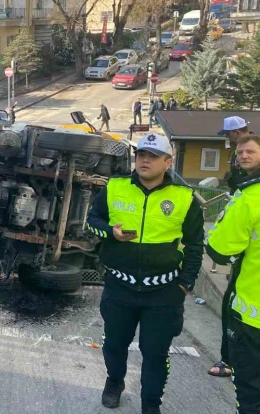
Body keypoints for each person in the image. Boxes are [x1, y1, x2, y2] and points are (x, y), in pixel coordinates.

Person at [86, 133, 204, 414]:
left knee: (155, 354)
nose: (145, 160)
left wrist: (185, 284)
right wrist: (110, 233)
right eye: (141, 155)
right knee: (114, 346)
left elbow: (196, 244)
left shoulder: (184, 197)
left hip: (163, 293)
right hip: (120, 287)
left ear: (167, 162)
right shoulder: (115, 188)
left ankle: (151, 404)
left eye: (152, 156)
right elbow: (92, 220)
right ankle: (115, 381)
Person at [206, 135, 260, 413]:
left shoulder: (250, 197)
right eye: (240, 153)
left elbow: (218, 251)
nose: (243, 156)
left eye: (250, 151)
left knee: (251, 392)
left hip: (253, 316)